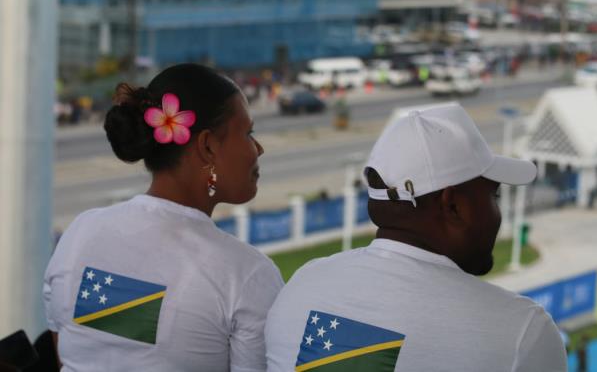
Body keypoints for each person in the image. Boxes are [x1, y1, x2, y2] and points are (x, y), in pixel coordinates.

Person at [265, 104, 567, 371]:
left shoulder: (303, 285)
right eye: (494, 195)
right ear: (453, 205)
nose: (497, 213)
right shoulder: (521, 334)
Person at [43, 64, 284, 372]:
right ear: (208, 146)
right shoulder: (247, 275)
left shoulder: (81, 232)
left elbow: (67, 351)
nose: (259, 148)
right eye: (249, 133)